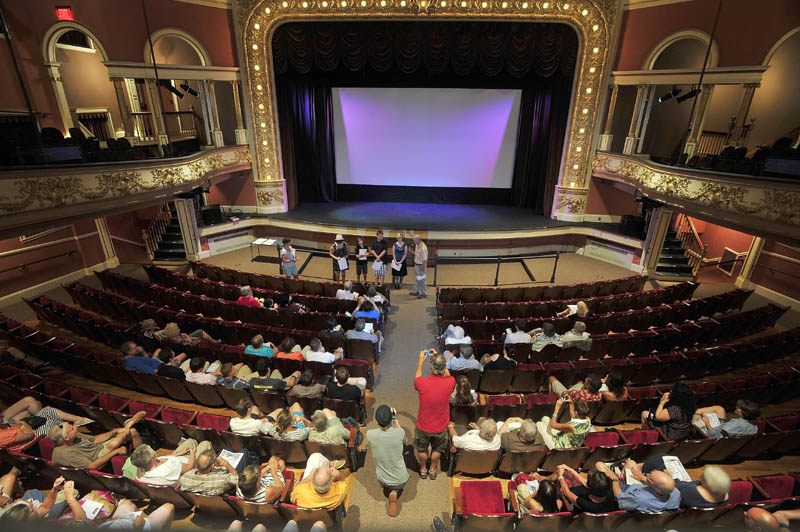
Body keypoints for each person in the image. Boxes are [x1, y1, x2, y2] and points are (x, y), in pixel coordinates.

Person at [50, 412, 146, 470]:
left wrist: (114, 431)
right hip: (97, 459)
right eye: (72, 429)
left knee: (132, 432)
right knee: (113, 445)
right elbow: (92, 466)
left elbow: (96, 439)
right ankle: (128, 425)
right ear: (66, 438)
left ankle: (143, 457)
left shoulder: (75, 436)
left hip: (99, 447)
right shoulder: (68, 454)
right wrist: (116, 451)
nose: (76, 428)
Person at [413, 350, 455, 480]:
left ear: (431, 368)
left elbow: (417, 378)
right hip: (441, 426)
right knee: (437, 449)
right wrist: (440, 358)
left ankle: (423, 468)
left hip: (423, 425)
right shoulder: (450, 382)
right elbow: (447, 374)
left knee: (422, 449)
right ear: (444, 367)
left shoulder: (422, 383)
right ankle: (432, 469)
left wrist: (420, 363)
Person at [0, 396, 88, 452]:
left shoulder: (4, 429)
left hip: (20, 430)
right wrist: (22, 423)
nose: (2, 415)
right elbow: (29, 434)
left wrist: (18, 425)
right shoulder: (4, 435)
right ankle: (71, 427)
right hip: (35, 440)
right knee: (48, 412)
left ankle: (74, 423)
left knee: (36, 405)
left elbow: (13, 426)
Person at [366, 405, 409, 517]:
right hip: (402, 479)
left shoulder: (370, 434)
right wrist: (394, 418)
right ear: (390, 419)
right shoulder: (400, 433)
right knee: (398, 478)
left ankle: (388, 488)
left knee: (380, 471)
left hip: (383, 480)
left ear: (376, 419)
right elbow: (406, 442)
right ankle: (395, 491)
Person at [598, 463, 680, 513]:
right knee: (631, 463)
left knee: (599, 465)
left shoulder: (639, 499)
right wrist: (643, 478)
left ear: (656, 488)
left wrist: (614, 479)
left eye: (649, 478)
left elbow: (618, 497)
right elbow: (659, 485)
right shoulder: (675, 492)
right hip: (636, 488)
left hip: (624, 492)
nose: (646, 475)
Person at [130, 440, 203, 486]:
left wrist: (178, 454)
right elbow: (190, 466)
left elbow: (160, 459)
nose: (155, 451)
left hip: (175, 460)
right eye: (153, 450)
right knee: (205, 443)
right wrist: (193, 454)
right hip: (189, 465)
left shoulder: (141, 469)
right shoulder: (169, 469)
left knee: (190, 441)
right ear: (153, 459)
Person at [549, 464, 617, 514]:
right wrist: (571, 470)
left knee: (562, 480)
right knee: (567, 473)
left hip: (577, 512)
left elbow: (566, 491)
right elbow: (586, 483)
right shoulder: (608, 490)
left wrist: (560, 476)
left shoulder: (587, 505)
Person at [693, 400, 760, 438]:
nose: (736, 407)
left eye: (737, 407)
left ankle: (689, 411)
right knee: (719, 408)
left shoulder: (735, 423)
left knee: (696, 415)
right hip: (723, 429)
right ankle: (692, 410)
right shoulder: (754, 427)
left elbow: (714, 437)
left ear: (739, 411)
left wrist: (707, 422)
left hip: (712, 435)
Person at [95, 500, 175, 530]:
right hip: (141, 526)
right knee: (169, 506)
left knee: (128, 502)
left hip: (120, 520)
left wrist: (111, 520)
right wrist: (138, 525)